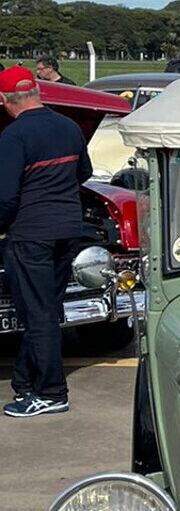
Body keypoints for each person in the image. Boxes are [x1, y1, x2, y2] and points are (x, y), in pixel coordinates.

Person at [0, 66, 93, 417]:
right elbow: (83, 173)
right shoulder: (69, 127)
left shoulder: (13, 136)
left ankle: (53, 393)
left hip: (30, 235)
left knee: (37, 315)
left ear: (4, 100)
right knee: (47, 311)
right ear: (38, 91)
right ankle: (26, 382)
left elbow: (6, 196)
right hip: (68, 230)